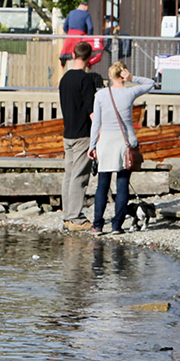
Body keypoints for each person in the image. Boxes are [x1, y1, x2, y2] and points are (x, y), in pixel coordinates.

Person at [88, 62, 154, 235]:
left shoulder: (101, 95)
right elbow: (150, 83)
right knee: (122, 184)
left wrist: (92, 145)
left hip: (106, 142)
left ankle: (98, 225)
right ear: (123, 74)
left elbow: (96, 123)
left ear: (110, 76)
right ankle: (117, 226)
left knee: (102, 185)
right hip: (125, 142)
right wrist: (133, 79)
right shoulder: (130, 92)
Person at [58, 40, 100, 231]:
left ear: (73, 55)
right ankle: (75, 217)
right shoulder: (86, 80)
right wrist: (99, 132)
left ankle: (67, 214)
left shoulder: (64, 79)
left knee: (69, 175)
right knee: (80, 176)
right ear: (89, 58)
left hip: (68, 133)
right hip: (83, 133)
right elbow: (91, 110)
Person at [60, 0, 96, 64]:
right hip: (80, 37)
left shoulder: (71, 13)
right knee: (81, 54)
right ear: (86, 7)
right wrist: (89, 37)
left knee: (70, 56)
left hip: (70, 37)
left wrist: (69, 34)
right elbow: (90, 27)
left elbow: (64, 26)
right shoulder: (86, 14)